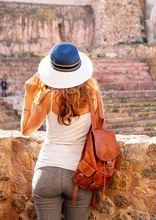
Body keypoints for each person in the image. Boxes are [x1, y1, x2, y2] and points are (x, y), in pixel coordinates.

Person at [21, 42, 99, 220]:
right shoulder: (94, 98)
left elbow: (26, 130)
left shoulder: (48, 97)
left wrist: (28, 96)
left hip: (47, 172)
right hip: (80, 175)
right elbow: (97, 131)